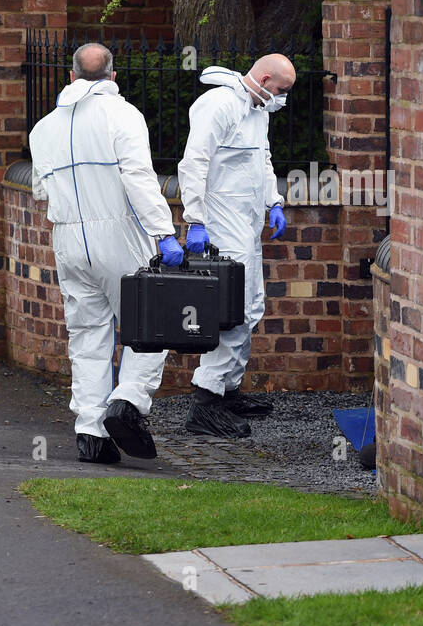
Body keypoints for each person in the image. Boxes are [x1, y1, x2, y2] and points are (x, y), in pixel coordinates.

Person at [29, 42, 185, 464]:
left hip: (68, 237)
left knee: (87, 334)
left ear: (71, 76)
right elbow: (138, 178)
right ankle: (128, 402)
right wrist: (164, 232)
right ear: (113, 76)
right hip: (119, 233)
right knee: (150, 322)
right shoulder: (123, 114)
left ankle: (91, 433)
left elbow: (41, 190)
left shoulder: (43, 128)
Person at [178, 53, 294, 437]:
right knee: (233, 309)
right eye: (281, 89)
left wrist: (274, 202)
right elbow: (194, 162)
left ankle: (228, 389)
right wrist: (195, 220)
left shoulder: (257, 110)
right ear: (265, 79)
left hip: (245, 223)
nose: (283, 97)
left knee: (251, 305)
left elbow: (262, 160)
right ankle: (206, 401)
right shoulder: (219, 105)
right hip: (221, 224)